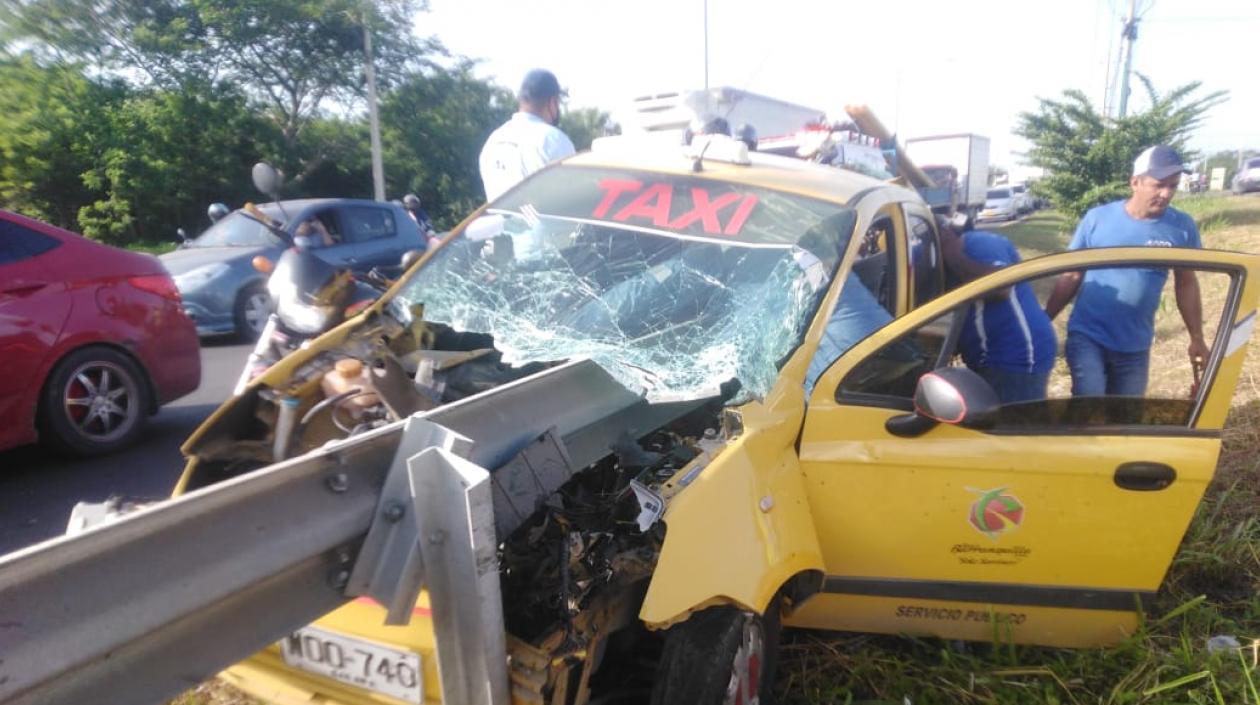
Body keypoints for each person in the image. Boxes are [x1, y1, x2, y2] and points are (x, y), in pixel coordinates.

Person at [1044, 145, 1206, 397]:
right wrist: (1044, 321)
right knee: (1090, 398)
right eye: (1158, 185)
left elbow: (1186, 283)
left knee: (1125, 418)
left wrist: (1196, 337)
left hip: (1135, 345)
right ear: (1135, 183)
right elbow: (1072, 274)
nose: (1166, 194)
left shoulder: (1181, 228)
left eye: (1172, 186)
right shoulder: (1097, 220)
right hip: (1088, 334)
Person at [939, 215, 1057, 403]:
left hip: (1015, 355)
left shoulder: (979, 243)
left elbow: (1000, 288)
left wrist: (953, 255)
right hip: (994, 356)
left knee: (1008, 427)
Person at [478, 69, 576, 202]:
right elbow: (572, 198)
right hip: (545, 223)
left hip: (498, 222)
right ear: (552, 102)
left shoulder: (494, 140)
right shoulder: (554, 140)